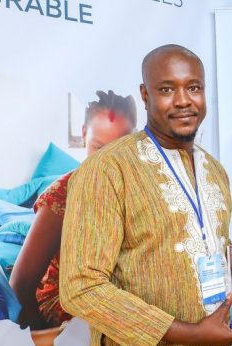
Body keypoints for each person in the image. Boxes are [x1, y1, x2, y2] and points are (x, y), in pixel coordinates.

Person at [59, 45, 232, 346]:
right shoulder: (107, 169)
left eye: (193, 87)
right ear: (145, 95)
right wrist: (191, 333)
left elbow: (189, 252)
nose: (183, 100)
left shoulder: (215, 171)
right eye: (166, 89)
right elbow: (80, 287)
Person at [10, 90, 137, 332]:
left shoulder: (141, 190)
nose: (107, 162)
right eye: (99, 148)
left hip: (126, 305)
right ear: (84, 134)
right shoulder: (62, 197)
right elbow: (20, 286)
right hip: (67, 314)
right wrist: (44, 341)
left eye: (119, 149)